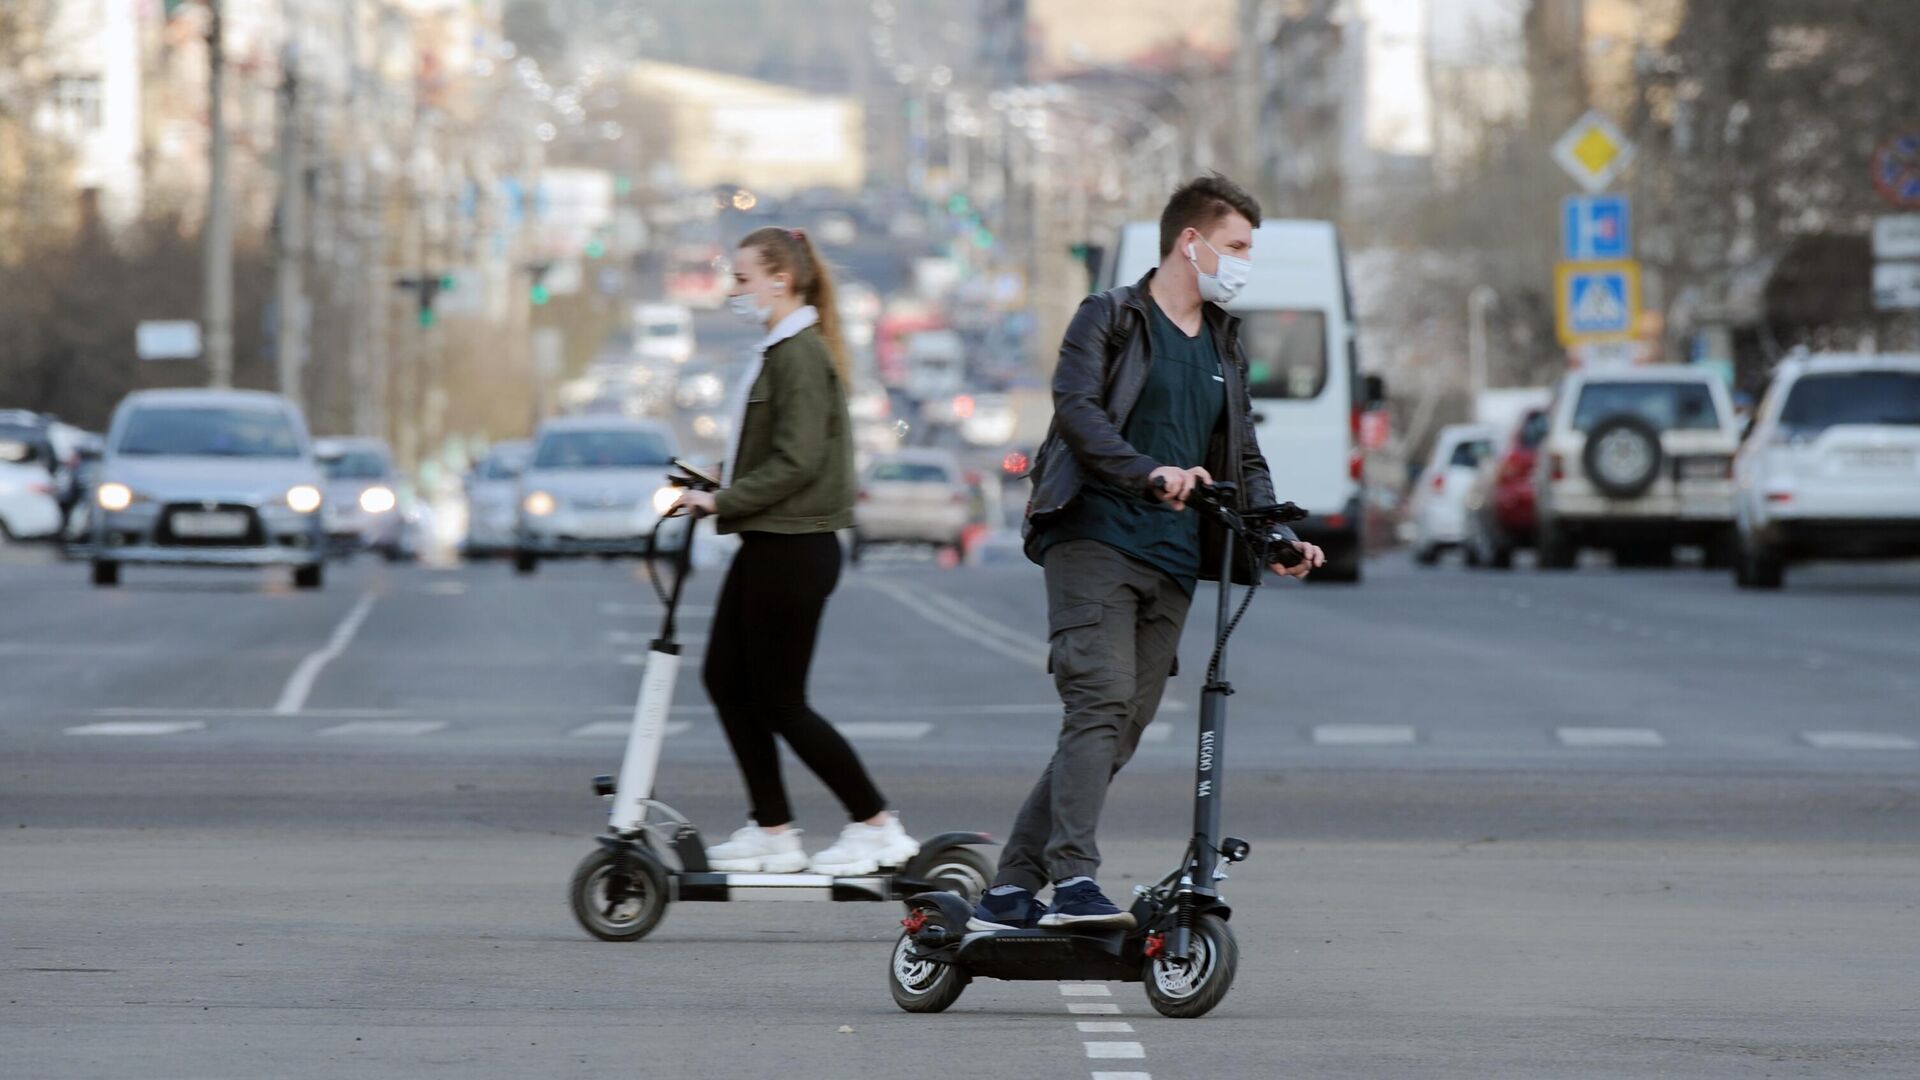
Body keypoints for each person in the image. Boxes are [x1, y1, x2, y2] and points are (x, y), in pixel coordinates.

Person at [971, 175, 1324, 932]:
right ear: (1188, 242)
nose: (1242, 263)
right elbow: (1077, 410)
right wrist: (1146, 471)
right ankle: (1072, 883)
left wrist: (1276, 538)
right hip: (1094, 535)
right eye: (1234, 246)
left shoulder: (1226, 341)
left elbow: (1243, 455)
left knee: (1118, 728)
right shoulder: (1111, 317)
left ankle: (1009, 890)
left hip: (1171, 556)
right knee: (1096, 702)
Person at [671, 226, 919, 876]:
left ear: (782, 279)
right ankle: (773, 828)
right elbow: (771, 450)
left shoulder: (800, 354)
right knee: (725, 680)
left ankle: (877, 824)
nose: (734, 289)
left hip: (795, 546)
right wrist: (712, 482)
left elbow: (799, 460)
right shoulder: (779, 350)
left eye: (743, 277)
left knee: (781, 700)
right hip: (770, 542)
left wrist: (720, 501)